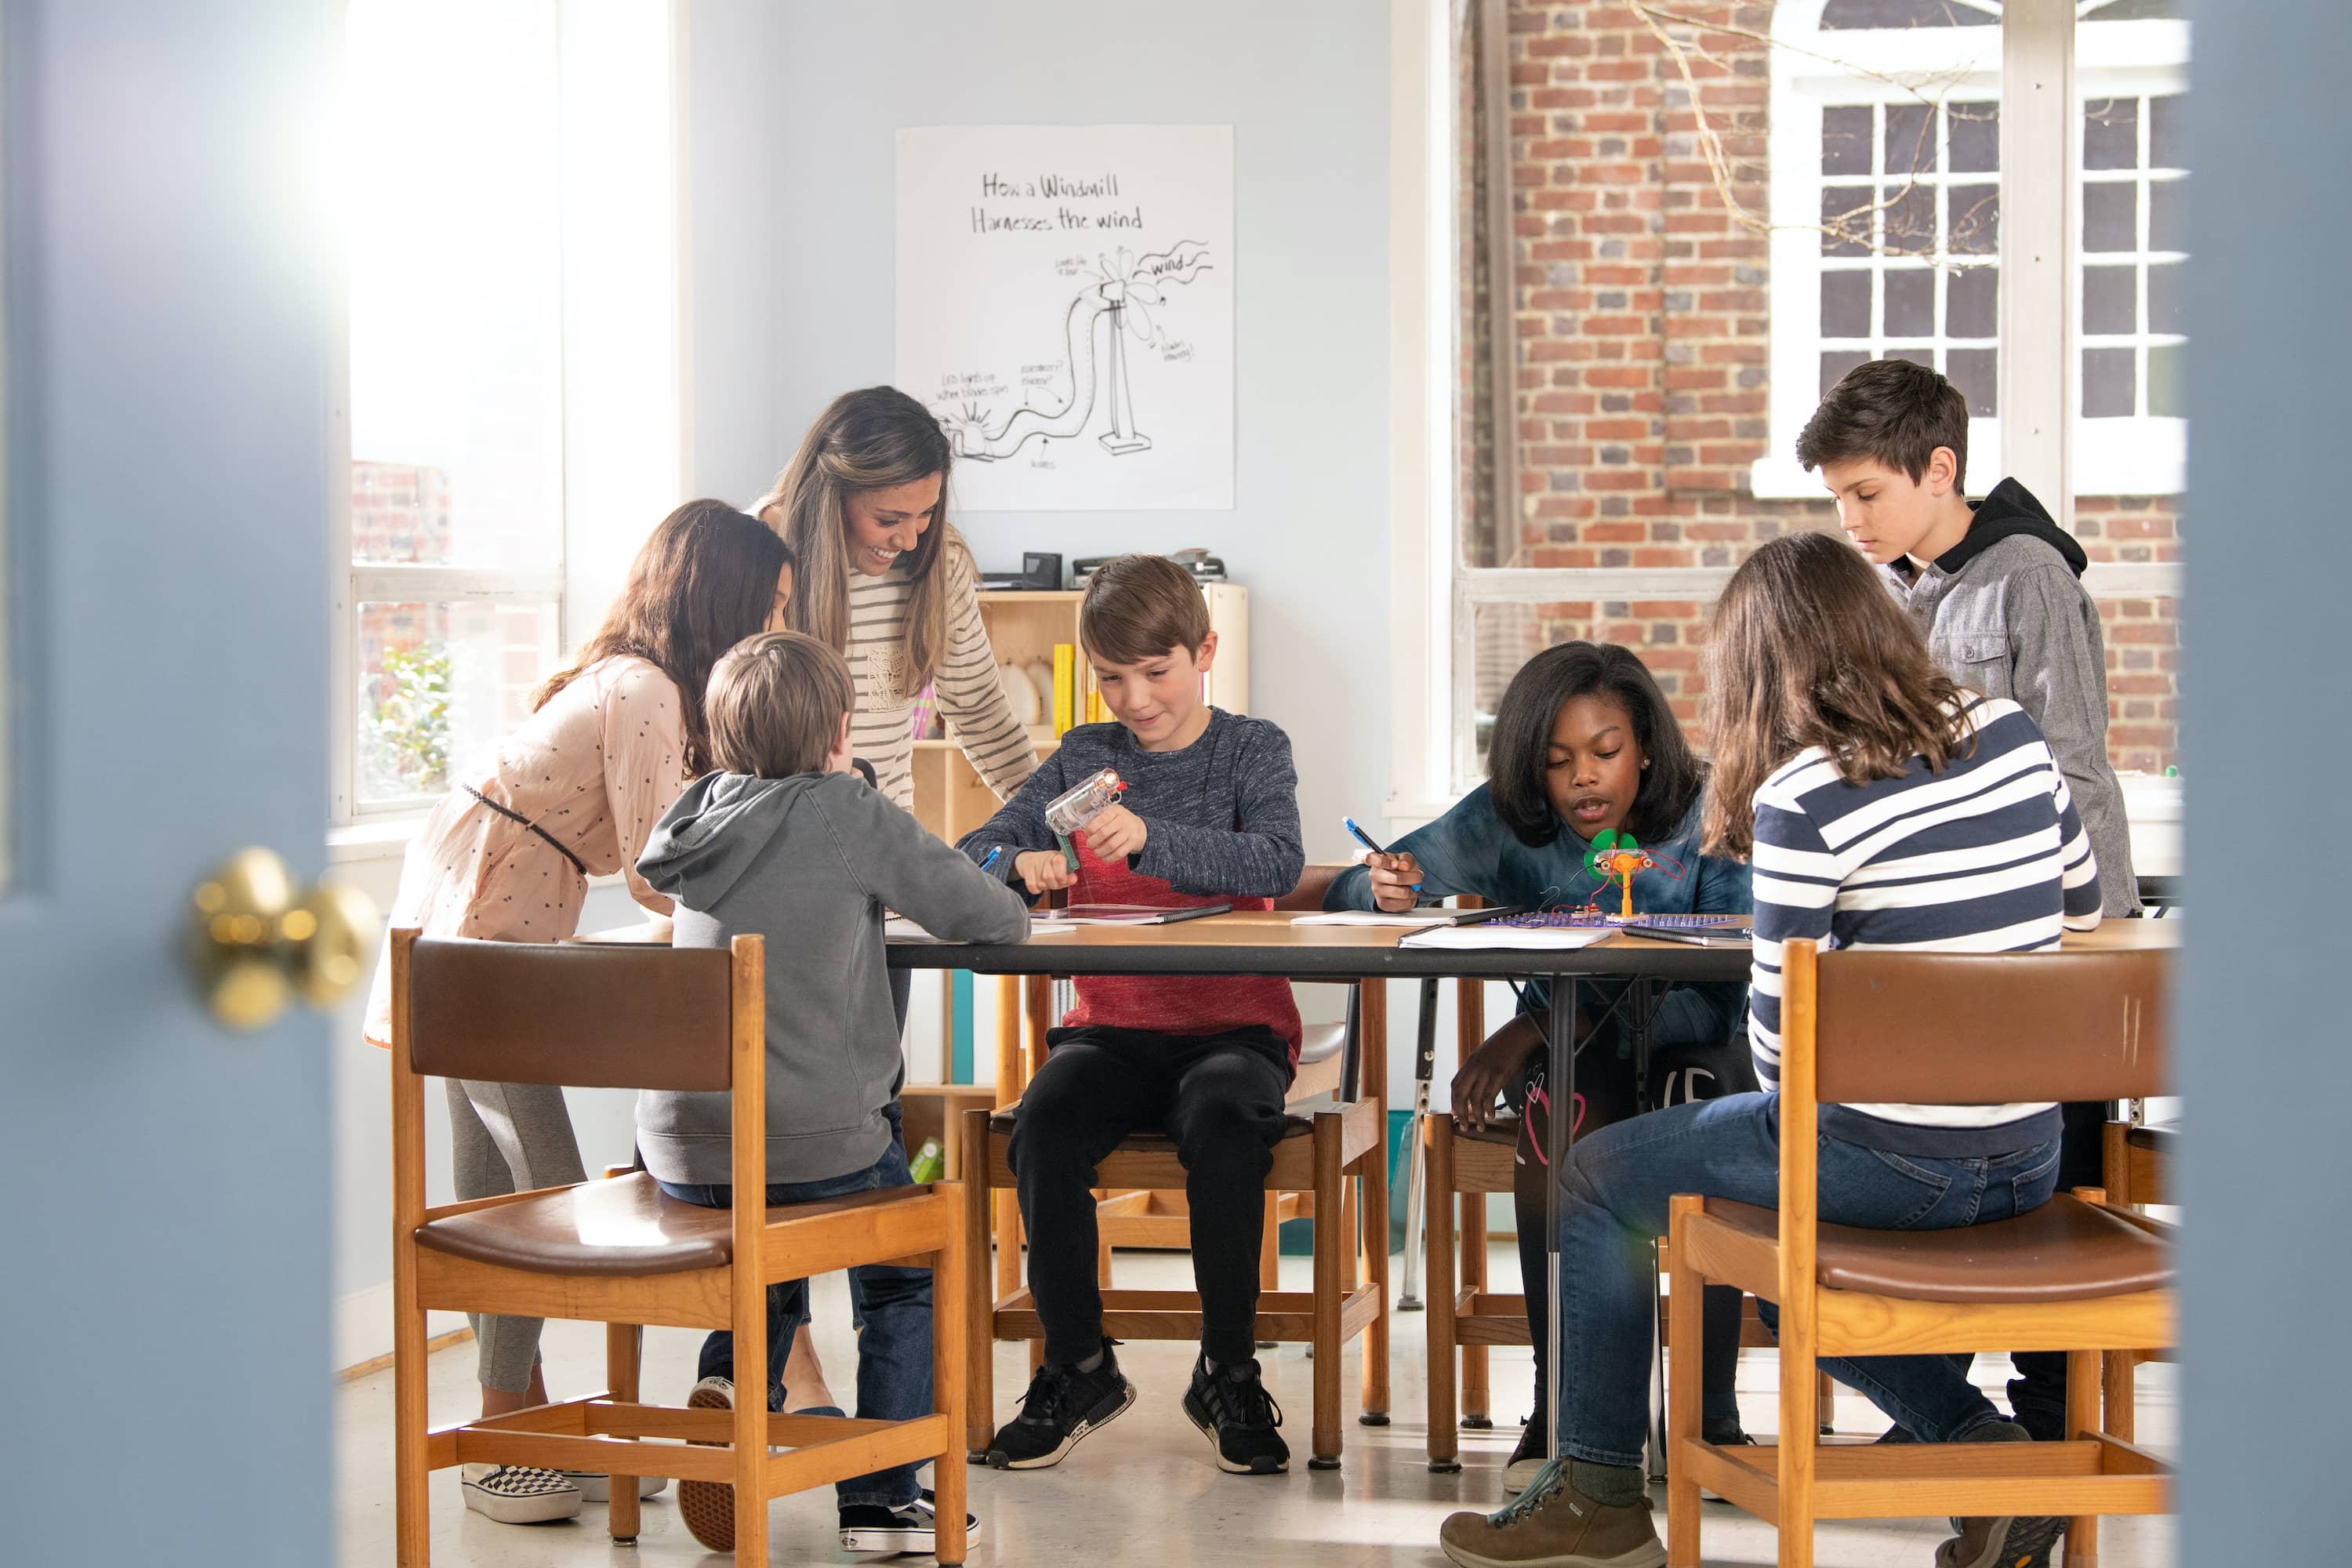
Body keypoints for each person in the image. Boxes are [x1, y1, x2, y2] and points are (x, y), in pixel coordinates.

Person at [1438, 532, 2101, 1568]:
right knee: (1752, 1195)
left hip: (1897, 1165)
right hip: (2027, 1154)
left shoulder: (1803, 797)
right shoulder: (2012, 732)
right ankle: (1981, 1457)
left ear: (1757, 671)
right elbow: (2083, 906)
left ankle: (1602, 1496)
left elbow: (1786, 1063)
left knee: (1606, 1176)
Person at [361, 500, 789, 1525]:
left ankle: (526, 1416)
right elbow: (656, 867)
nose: (774, 633)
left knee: (491, 1185)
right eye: (767, 610)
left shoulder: (630, 679)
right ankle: (506, 1430)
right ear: (722, 601)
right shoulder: (643, 690)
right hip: (478, 923)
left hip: (487, 913)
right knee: (539, 1190)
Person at [1798, 358, 2137, 1446]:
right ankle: (1937, 1402)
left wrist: (2058, 922)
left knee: (2058, 1162)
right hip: (1939, 930)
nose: (1850, 519)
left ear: (1939, 470)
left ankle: (2046, 1413)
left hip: (2049, 926)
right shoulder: (1894, 588)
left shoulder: (2027, 577)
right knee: (1935, 1145)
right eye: (1840, 497)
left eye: (1866, 494)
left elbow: (2074, 766)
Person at [1324, 641, 1755, 1490]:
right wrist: (1383, 886)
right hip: (1580, 1068)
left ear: (1647, 746)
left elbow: (1729, 985)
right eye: (1558, 762)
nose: (1583, 780)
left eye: (1605, 751)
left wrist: (1538, 1022)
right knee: (1555, 1118)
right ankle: (1566, 1406)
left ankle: (1708, 1411)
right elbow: (1355, 887)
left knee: (1689, 1101)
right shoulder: (1506, 820)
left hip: (1696, 1053)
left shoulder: (1710, 808)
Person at [634, 630, 1026, 1557]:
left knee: (763, 1255)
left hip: (687, 1150)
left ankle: (733, 1384)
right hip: (816, 1135)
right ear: (840, 729)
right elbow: (988, 917)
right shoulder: (847, 808)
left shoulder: (695, 819)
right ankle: (881, 1499)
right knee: (898, 1278)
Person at [956, 553, 1306, 1476]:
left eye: (1156, 672)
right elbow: (975, 845)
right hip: (1112, 1031)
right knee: (1043, 1123)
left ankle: (1228, 1368)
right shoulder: (1086, 755)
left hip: (1233, 1032)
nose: (1136, 698)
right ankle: (1079, 1366)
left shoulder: (1250, 748)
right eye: (1113, 676)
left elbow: (1274, 861)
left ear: (1206, 652)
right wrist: (1014, 864)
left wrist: (1153, 839)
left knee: (1228, 1121)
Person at [755, 386, 1044, 1413]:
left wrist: (1044, 822)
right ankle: (783, 1372)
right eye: (890, 519)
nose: (910, 538)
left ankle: (844, 1395)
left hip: (874, 890)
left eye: (926, 515)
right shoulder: (763, 562)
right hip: (773, 894)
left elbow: (982, 710)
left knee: (863, 1124)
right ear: (830, 495)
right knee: (774, 1141)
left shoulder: (940, 567)